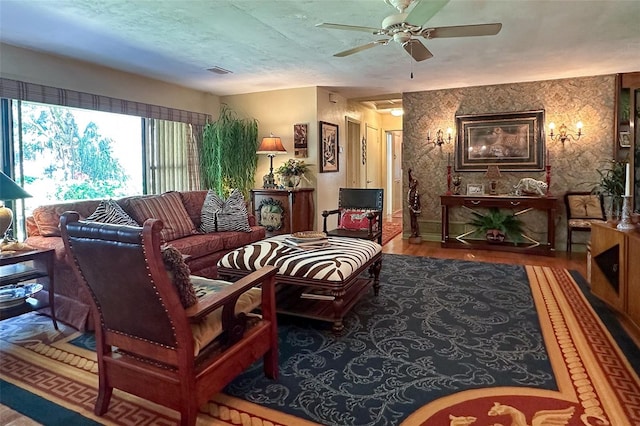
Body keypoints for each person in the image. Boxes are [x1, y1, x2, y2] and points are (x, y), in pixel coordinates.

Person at [408, 168, 421, 238]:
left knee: (414, 220)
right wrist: (409, 173)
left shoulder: (416, 192)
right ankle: (413, 232)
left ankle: (415, 232)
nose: (412, 184)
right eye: (412, 183)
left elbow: (418, 201)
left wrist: (418, 208)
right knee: (411, 220)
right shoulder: (410, 190)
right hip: (410, 207)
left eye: (414, 183)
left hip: (414, 208)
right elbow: (409, 180)